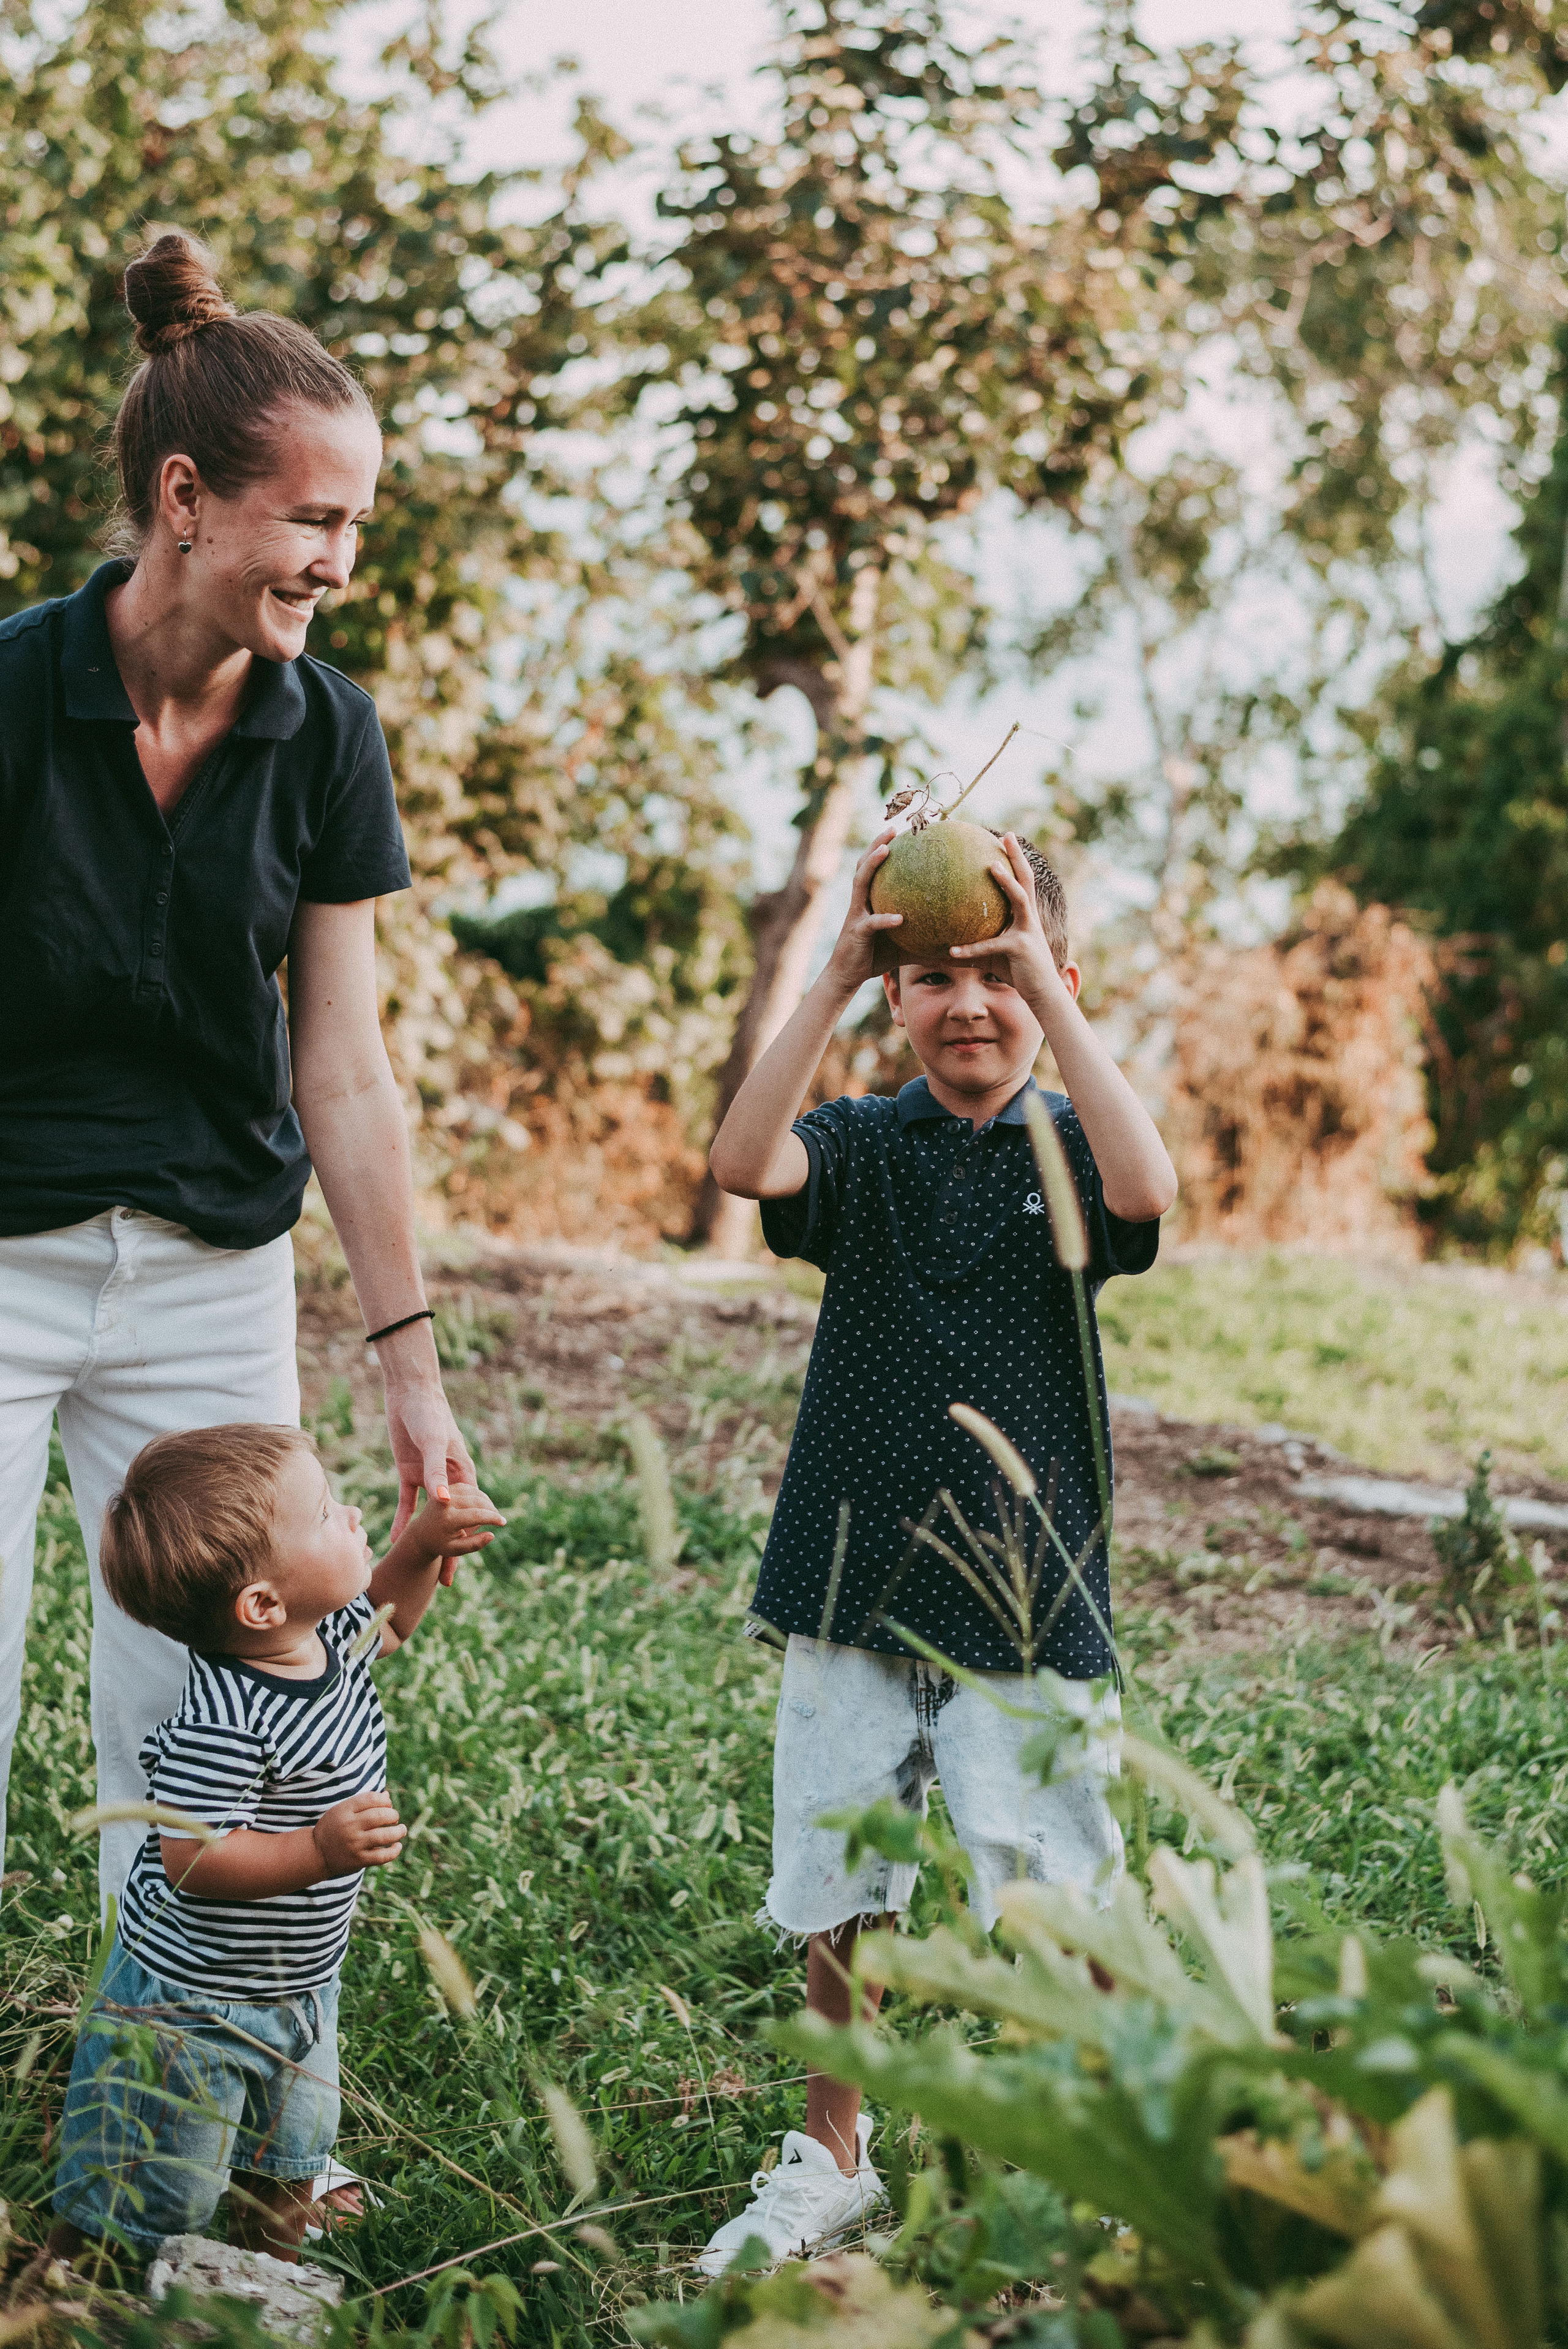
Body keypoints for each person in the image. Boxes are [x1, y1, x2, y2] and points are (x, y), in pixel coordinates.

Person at [0, 229, 471, 1907]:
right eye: (316, 520)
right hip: (3, 1250)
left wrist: (408, 1368)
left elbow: (342, 1063)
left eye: (357, 525)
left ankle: (219, 2135)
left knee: (223, 1728)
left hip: (214, 1271)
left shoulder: (326, 730)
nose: (342, 560)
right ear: (186, 498)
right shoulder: (8, 692)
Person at [696, 825, 1178, 2274]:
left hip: (1029, 1598)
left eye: (1000, 974)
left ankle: (1097, 2144)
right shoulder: (855, 1142)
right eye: (931, 979)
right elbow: (736, 1157)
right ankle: (828, 2154)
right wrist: (842, 957)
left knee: (1054, 1887)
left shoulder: (1073, 1142)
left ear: (1053, 978)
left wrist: (1050, 984)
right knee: (841, 1886)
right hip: (852, 1580)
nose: (966, 1003)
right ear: (892, 998)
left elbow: (1148, 1193)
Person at [46, 1422, 505, 2273]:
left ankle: (266, 2280)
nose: (354, 1512)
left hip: (298, 1987)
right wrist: (319, 1849)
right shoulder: (223, 1720)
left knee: (290, 2160)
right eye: (329, 1512)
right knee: (153, 2179)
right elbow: (193, 1859)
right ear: (261, 1604)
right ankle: (79, 2276)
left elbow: (390, 1622)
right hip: (194, 2006)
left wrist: (423, 1542)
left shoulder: (325, 1641)